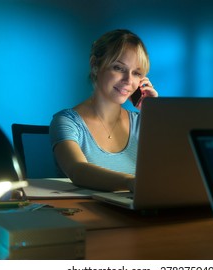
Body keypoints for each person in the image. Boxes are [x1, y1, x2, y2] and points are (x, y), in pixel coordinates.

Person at [49, 29, 158, 192]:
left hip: (139, 212)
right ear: (95, 66)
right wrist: (131, 182)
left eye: (136, 73)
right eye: (118, 68)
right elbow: (77, 170)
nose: (128, 80)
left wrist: (156, 113)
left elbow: (178, 166)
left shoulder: (142, 122)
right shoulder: (66, 121)